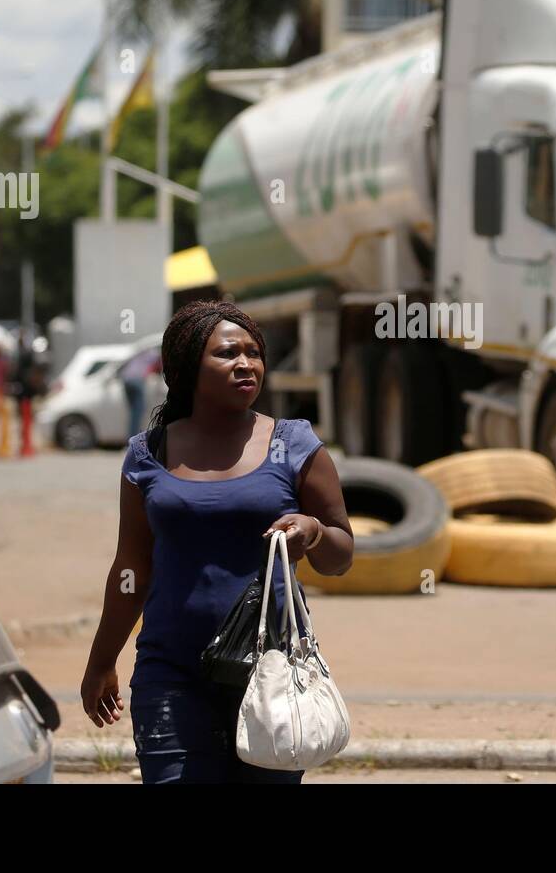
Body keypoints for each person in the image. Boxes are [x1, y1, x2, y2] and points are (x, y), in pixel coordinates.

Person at [80, 300, 354, 784]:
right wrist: (102, 660)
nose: (246, 364)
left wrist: (312, 532)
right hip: (170, 672)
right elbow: (131, 568)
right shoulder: (149, 453)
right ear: (187, 367)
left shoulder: (293, 444)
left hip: (270, 672)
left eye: (254, 353)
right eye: (228, 353)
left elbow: (341, 555)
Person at [118, 346, 160, 439]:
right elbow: (157, 367)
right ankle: (134, 438)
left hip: (126, 380)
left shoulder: (139, 352)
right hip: (136, 380)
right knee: (138, 412)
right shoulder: (154, 354)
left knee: (133, 412)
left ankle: (130, 438)